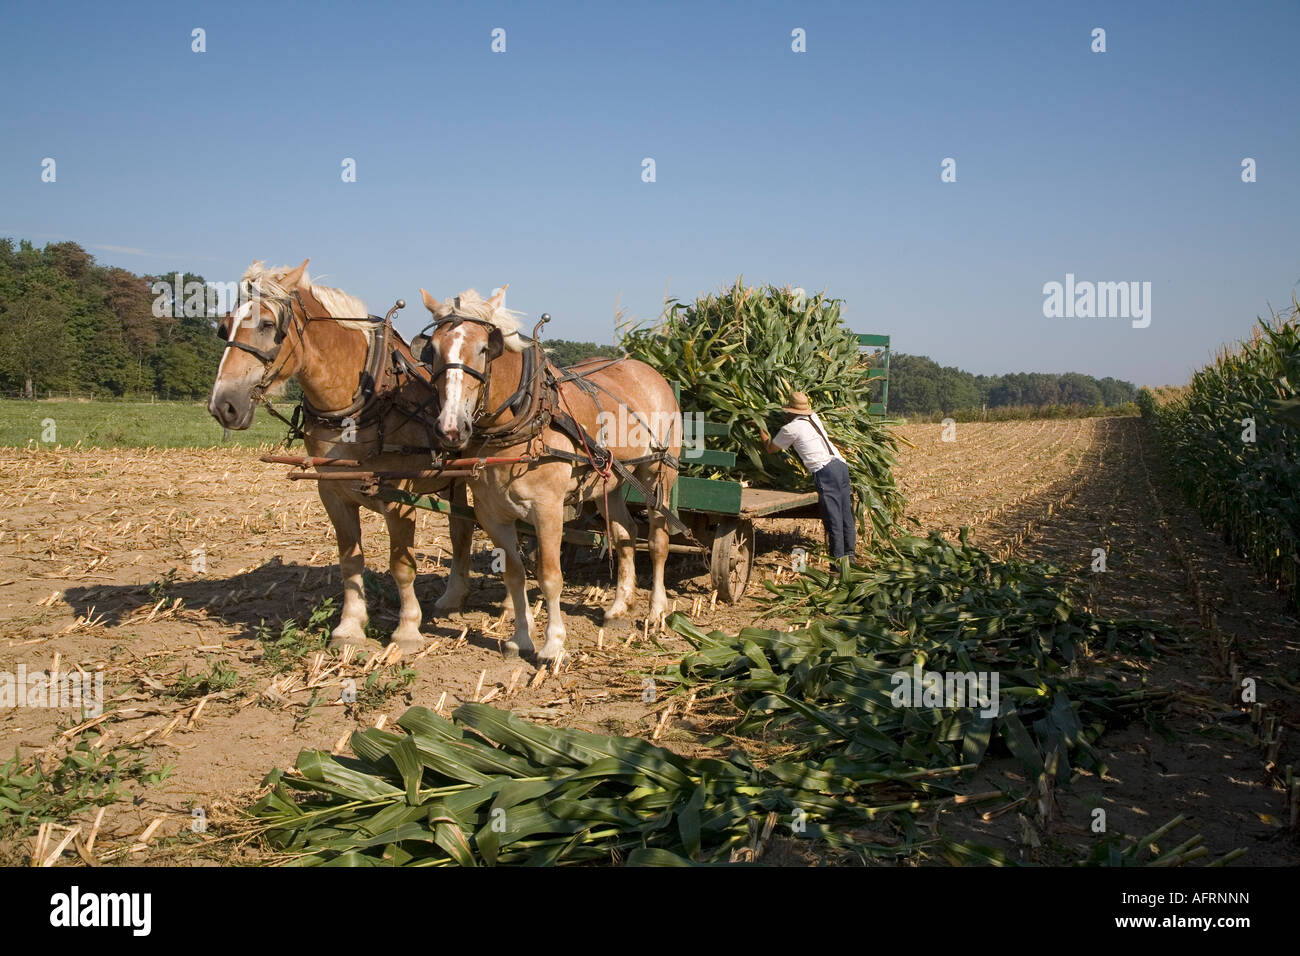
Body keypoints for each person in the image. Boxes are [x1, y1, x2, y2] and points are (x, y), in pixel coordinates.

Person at [759, 392, 856, 567]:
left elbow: (770, 448)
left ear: (791, 411)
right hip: (841, 466)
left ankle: (838, 564)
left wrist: (760, 427)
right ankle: (849, 558)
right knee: (845, 516)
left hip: (826, 471)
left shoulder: (790, 429)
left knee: (833, 519)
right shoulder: (814, 418)